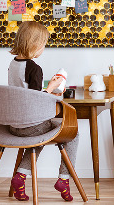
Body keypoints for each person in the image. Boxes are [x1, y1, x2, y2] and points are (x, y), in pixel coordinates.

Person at [8, 21, 78, 202]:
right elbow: (35, 99)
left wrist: (48, 88)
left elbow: (25, 93)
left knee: (38, 136)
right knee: (73, 133)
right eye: (44, 44)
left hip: (14, 125)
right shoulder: (34, 68)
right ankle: (64, 179)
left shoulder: (13, 64)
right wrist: (53, 87)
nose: (43, 48)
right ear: (35, 44)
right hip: (31, 125)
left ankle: (20, 177)